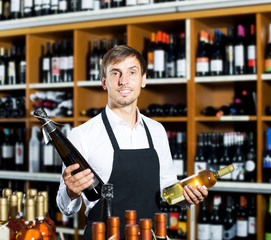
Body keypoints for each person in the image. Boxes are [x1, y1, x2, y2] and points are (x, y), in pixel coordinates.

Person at [56, 45, 208, 239]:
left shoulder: (157, 130)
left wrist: (186, 197)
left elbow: (167, 187)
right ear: (104, 82)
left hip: (149, 235)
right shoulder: (81, 136)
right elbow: (65, 208)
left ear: (143, 79)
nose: (123, 81)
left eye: (132, 72)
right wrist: (70, 191)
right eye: (115, 73)